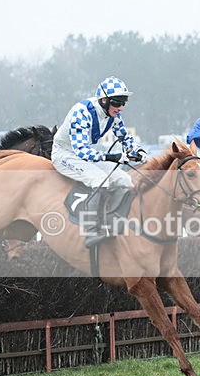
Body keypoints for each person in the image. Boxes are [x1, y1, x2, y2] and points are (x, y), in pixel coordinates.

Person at [51, 76, 148, 248]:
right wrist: (113, 157)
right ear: (104, 100)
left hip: (85, 154)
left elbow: (124, 137)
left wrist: (138, 151)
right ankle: (91, 232)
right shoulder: (81, 112)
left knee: (125, 180)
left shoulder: (113, 114)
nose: (121, 108)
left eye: (124, 102)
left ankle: (111, 222)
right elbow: (81, 151)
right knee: (100, 180)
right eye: (117, 103)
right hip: (65, 154)